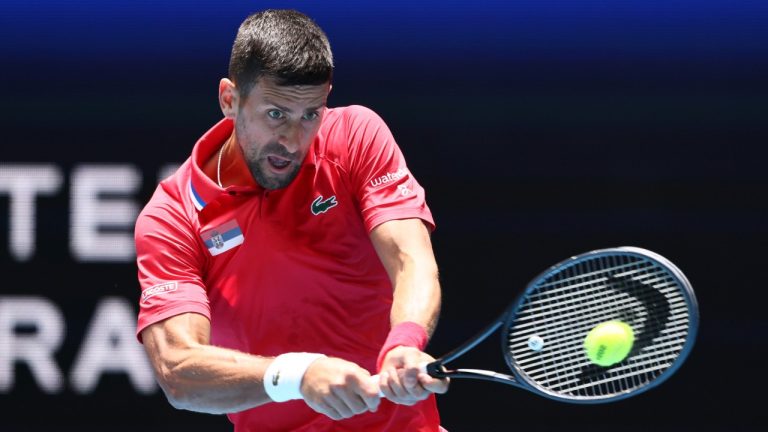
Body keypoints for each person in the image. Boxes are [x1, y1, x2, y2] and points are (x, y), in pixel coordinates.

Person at [134, 9, 448, 432]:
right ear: (230, 99)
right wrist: (297, 375)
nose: (293, 141)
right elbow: (178, 370)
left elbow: (412, 259)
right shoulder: (173, 216)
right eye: (276, 114)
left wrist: (405, 341)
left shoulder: (356, 136)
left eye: (310, 115)